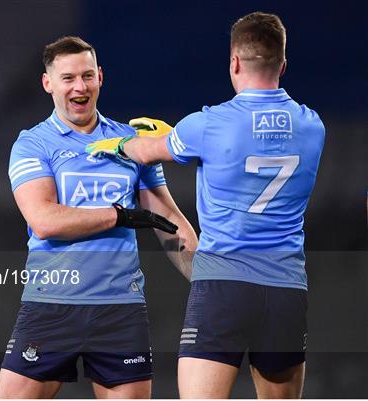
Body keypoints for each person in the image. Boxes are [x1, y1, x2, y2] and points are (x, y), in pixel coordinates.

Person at [87, 12, 325, 398]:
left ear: (233, 62)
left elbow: (146, 151)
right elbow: (260, 143)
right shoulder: (313, 125)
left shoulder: (209, 124)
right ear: (282, 64)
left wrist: (119, 144)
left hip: (223, 287)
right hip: (285, 289)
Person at [0, 36, 198, 399]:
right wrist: (118, 216)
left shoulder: (130, 141)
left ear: (100, 77)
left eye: (87, 76)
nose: (79, 86)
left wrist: (210, 282)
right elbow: (45, 220)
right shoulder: (33, 144)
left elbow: (167, 219)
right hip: (52, 305)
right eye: (68, 78)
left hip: (120, 310)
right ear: (48, 84)